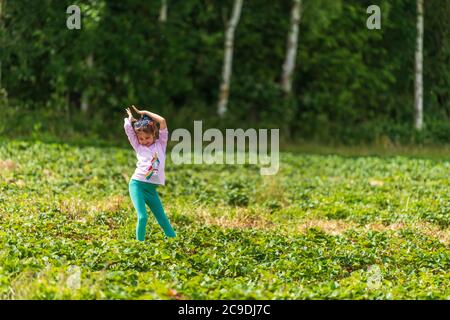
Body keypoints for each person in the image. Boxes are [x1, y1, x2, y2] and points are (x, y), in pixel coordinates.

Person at [124, 105, 176, 241]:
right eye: (141, 139)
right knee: (142, 217)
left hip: (151, 189)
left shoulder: (161, 144)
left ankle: (176, 243)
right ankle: (139, 247)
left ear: (154, 134)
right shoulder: (138, 146)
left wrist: (144, 112)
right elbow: (129, 131)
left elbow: (162, 121)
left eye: (147, 138)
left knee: (163, 220)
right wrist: (130, 120)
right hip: (137, 185)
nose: (144, 141)